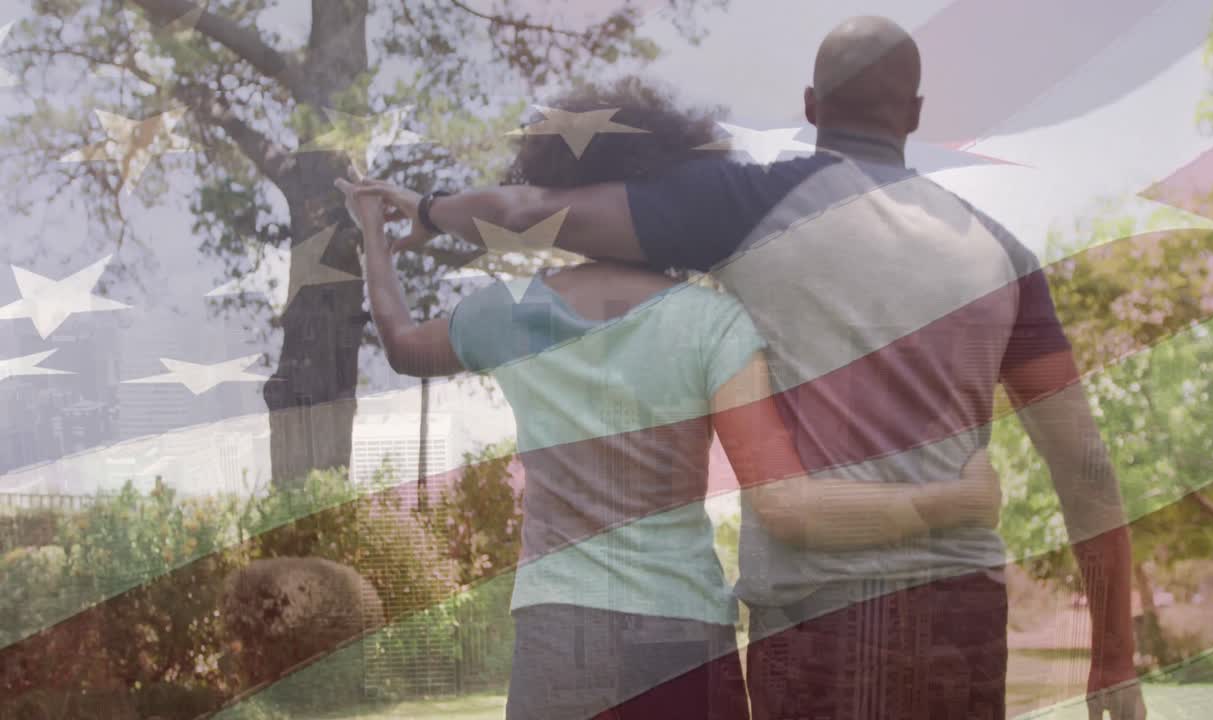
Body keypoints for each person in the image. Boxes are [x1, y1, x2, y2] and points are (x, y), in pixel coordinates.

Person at [352, 16, 1147, 720]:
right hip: (961, 606)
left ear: (810, 106)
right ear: (914, 115)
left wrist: (418, 209)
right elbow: (1083, 463)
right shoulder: (1003, 254)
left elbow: (527, 214)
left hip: (814, 613)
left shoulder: (749, 206)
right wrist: (1113, 654)